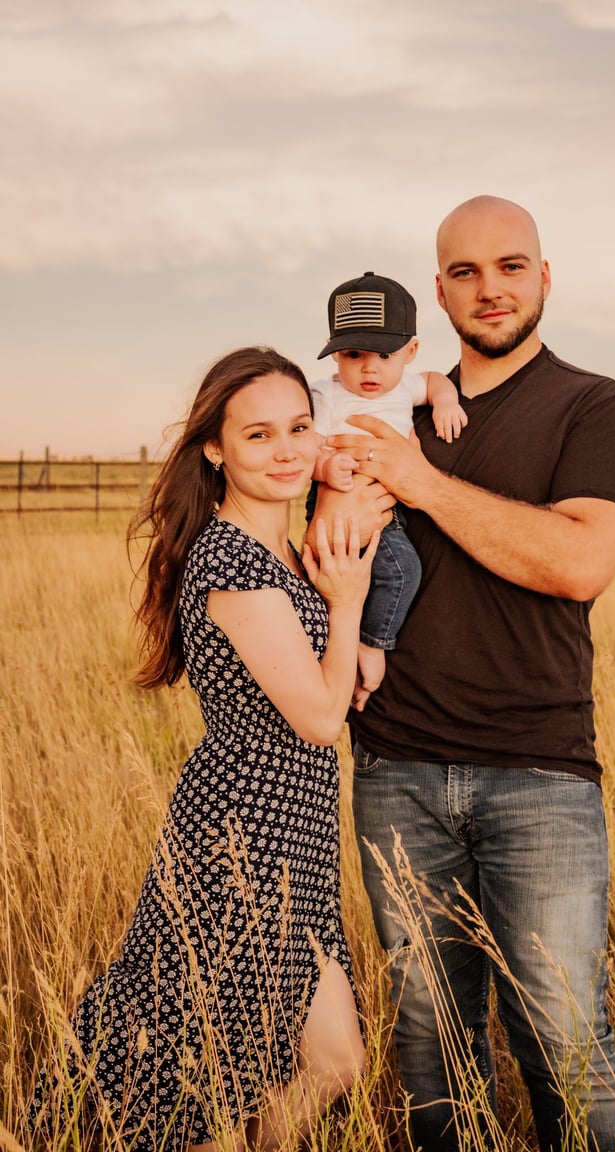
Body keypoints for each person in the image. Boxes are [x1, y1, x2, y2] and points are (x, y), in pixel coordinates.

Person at [313, 196, 615, 1151]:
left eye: (510, 266)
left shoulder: (593, 405)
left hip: (538, 770)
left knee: (566, 1041)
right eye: (465, 271)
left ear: (545, 276)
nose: (489, 288)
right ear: (438, 290)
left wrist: (419, 482)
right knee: (431, 1047)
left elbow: (579, 562)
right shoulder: (385, 403)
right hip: (396, 768)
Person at [28, 347, 378, 1151]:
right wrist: (349, 605)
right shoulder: (230, 560)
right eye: (259, 434)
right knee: (211, 1078)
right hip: (243, 839)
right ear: (216, 448)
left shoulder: (285, 549)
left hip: (296, 836)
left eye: (299, 427)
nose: (286, 450)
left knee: (334, 1062)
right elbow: (320, 720)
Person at [309, 270, 466, 708]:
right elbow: (308, 448)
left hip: (386, 513)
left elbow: (435, 382)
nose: (369, 367)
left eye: (383, 354)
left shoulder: (404, 387)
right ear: (334, 353)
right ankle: (371, 644)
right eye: (353, 354)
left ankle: (357, 647)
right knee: (391, 573)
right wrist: (325, 468)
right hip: (340, 500)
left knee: (391, 573)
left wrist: (447, 401)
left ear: (409, 352)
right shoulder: (326, 394)